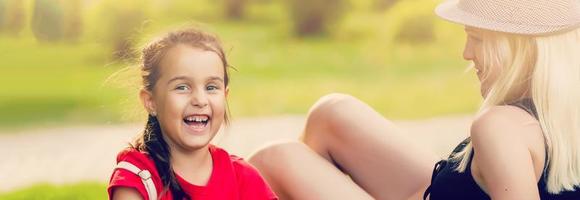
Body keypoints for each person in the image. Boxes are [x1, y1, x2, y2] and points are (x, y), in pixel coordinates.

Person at [248, 0, 580, 199]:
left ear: (520, 47)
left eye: (476, 39)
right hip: (435, 189)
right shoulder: (562, 110)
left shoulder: (501, 128)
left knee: (275, 158)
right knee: (332, 112)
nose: (466, 54)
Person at [107, 28, 278, 200]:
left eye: (211, 87)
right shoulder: (139, 179)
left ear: (225, 96)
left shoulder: (243, 177)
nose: (200, 100)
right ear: (151, 101)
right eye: (182, 87)